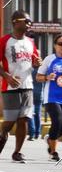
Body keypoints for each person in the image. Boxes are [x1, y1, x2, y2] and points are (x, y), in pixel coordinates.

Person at [0, 11, 42, 163]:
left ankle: (17, 153)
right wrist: (7, 77)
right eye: (26, 20)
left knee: (24, 119)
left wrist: (38, 63)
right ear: (15, 22)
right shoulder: (4, 41)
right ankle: (2, 136)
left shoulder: (31, 42)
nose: (29, 23)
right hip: (9, 87)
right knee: (10, 122)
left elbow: (35, 60)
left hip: (27, 86)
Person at [28, 66, 43, 140]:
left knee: (30, 114)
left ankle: (32, 134)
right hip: (40, 94)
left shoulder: (30, 69)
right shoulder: (42, 69)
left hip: (30, 93)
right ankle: (37, 133)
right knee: (38, 114)